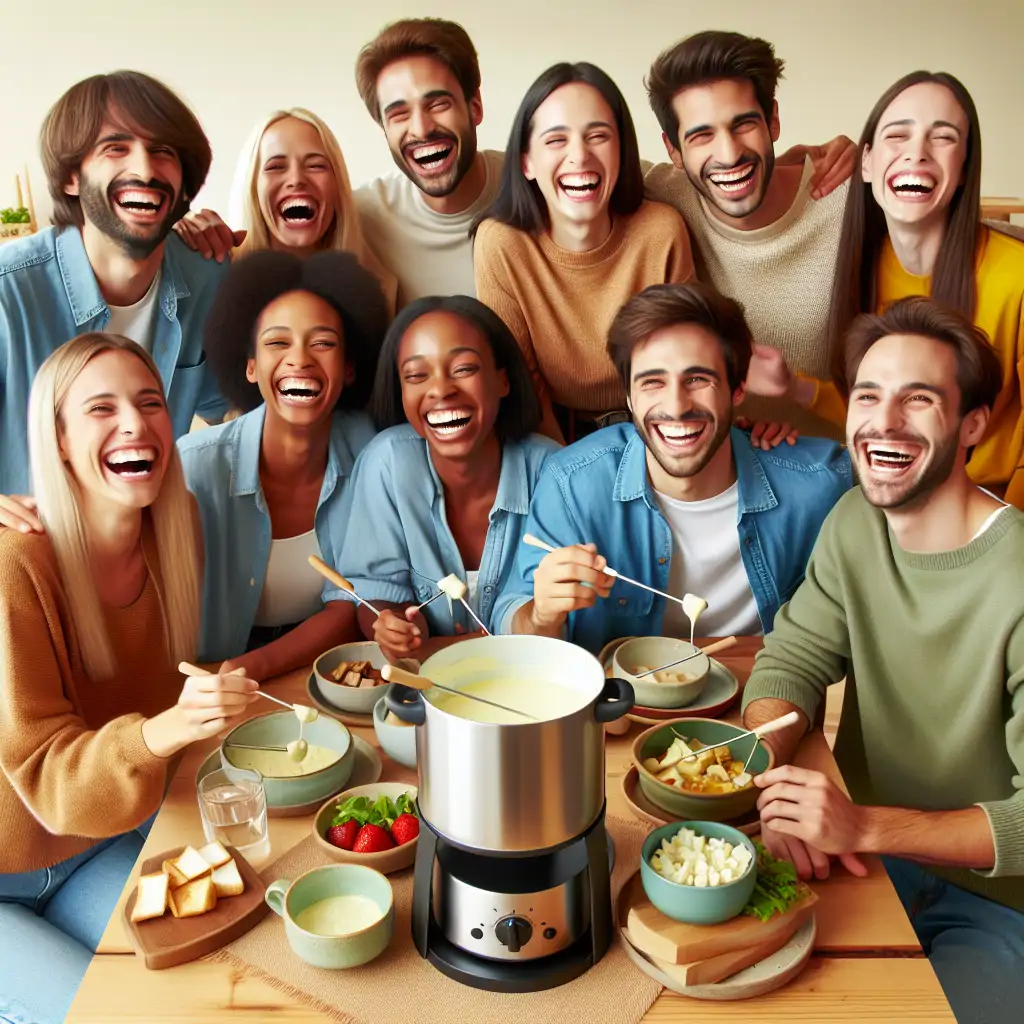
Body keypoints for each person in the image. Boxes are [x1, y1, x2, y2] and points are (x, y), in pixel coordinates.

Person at [740, 297, 1024, 1024]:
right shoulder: (855, 522)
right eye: (868, 395)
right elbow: (791, 660)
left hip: (998, 907)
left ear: (972, 426)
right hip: (861, 871)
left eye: (918, 400)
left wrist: (862, 826)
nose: (884, 422)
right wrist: (775, 785)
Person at [0, 335, 258, 1024]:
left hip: (99, 843)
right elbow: (50, 779)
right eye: (101, 408)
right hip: (7, 877)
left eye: (150, 403)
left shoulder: (174, 537)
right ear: (56, 440)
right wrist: (173, 726)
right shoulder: (15, 567)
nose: (136, 424)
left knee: (207, 988)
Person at [494, 282, 850, 654]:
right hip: (620, 703)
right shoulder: (572, 483)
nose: (677, 406)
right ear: (629, 396)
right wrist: (541, 615)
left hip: (759, 692)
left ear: (738, 388)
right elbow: (511, 622)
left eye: (698, 379)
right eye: (653, 382)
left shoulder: (817, 484)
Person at [745, 71, 1024, 508]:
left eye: (944, 138)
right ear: (867, 162)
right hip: (898, 498)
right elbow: (888, 416)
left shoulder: (1017, 276)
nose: (917, 153)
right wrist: (794, 389)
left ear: (966, 167)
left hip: (996, 508)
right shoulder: (862, 263)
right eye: (898, 135)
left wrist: (998, 531)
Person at [0, 70, 229, 505]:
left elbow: (236, 413)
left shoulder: (207, 278)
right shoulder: (8, 293)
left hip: (140, 549)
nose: (144, 169)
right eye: (116, 148)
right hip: (23, 556)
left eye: (162, 151)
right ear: (71, 176)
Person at [176, 250, 387, 678]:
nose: (300, 359)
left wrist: (250, 668)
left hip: (329, 665)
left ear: (349, 369)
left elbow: (353, 600)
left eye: (323, 343)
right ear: (250, 366)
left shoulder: (376, 455)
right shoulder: (194, 466)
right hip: (211, 670)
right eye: (277, 342)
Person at [643, 30, 852, 439]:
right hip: (723, 464)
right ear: (673, 150)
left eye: (744, 125)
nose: (729, 153)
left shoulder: (845, 199)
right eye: (701, 135)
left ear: (773, 120)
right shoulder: (662, 194)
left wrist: (876, 155)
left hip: (839, 466)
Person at [473, 62, 696, 442]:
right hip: (551, 435)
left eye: (598, 136)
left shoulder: (661, 231)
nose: (579, 156)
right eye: (556, 140)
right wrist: (569, 467)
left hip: (655, 428)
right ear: (526, 161)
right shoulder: (501, 244)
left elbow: (682, 362)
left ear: (622, 151)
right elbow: (524, 384)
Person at [337, 295, 559, 661]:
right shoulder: (387, 462)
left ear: (502, 381)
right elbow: (378, 590)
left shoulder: (550, 471)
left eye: (463, 369)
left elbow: (551, 619)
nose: (440, 390)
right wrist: (395, 624)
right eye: (416, 375)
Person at [173, 108, 398, 313]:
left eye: (315, 165)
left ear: (337, 184)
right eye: (276, 167)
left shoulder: (378, 291)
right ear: (253, 187)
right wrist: (174, 234)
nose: (296, 180)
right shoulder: (213, 276)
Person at [353, 17, 504, 304]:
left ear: (475, 107)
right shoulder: (360, 218)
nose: (421, 129)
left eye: (438, 104)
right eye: (399, 115)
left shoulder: (534, 189)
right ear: (383, 129)